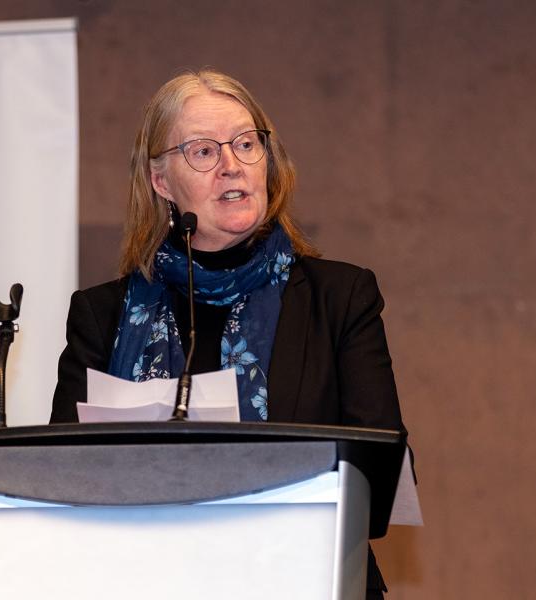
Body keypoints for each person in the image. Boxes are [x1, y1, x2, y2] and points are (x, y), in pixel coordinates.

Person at [50, 69, 406, 599]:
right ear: (161, 182)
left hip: (309, 580)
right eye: (202, 151)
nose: (231, 165)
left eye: (245, 144)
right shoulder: (103, 316)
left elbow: (377, 474)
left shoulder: (339, 298)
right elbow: (60, 480)